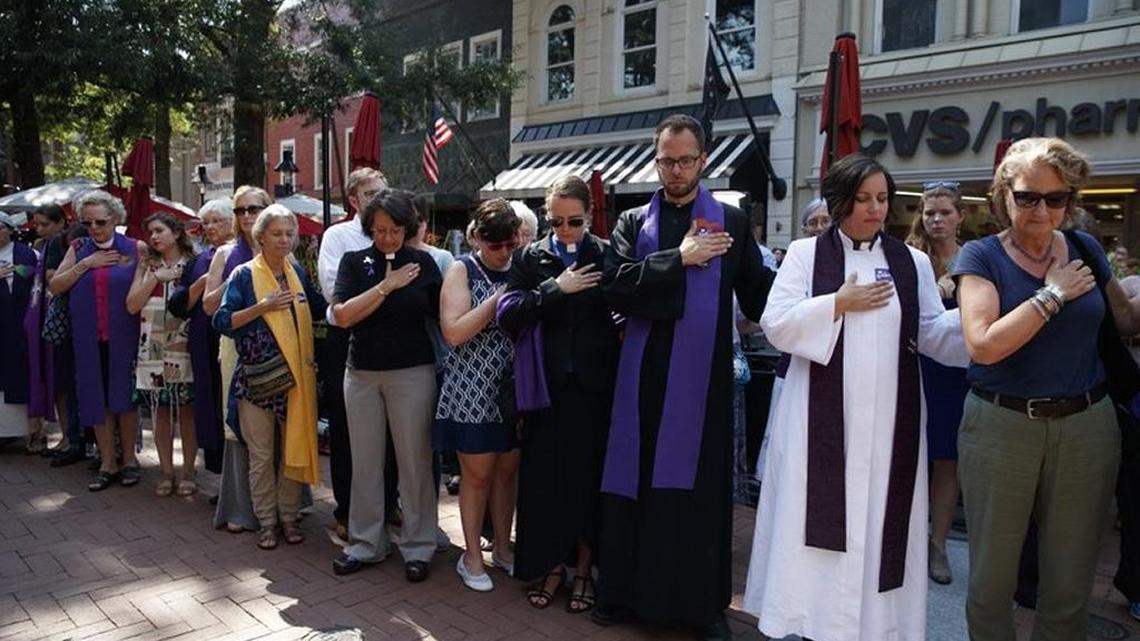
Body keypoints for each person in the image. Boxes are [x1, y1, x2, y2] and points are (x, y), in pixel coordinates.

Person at [743, 154, 967, 641]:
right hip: (819, 423)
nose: (875, 209)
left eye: (882, 199)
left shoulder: (913, 262)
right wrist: (837, 304)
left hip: (891, 423)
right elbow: (776, 324)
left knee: (882, 525)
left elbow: (931, 332)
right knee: (818, 527)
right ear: (842, 200)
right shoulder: (806, 254)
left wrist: (980, 321)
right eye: (863, 199)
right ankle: (811, 623)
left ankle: (877, 628)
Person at [593, 114, 773, 640]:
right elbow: (617, 287)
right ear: (657, 161)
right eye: (666, 160)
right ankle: (622, 594)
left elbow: (761, 295)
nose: (675, 170)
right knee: (637, 483)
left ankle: (702, 607)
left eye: (685, 160)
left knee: (698, 493)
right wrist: (682, 257)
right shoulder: (631, 222)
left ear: (703, 161)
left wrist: (823, 297)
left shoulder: (733, 224)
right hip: (643, 376)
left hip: (703, 384)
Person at [954, 137, 1140, 641]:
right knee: (993, 578)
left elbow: (1124, 319)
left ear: (1070, 202)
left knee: (1070, 580)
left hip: (1088, 427)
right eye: (1028, 196)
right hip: (1001, 425)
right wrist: (1053, 293)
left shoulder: (1083, 249)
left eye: (1056, 198)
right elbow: (983, 344)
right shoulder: (981, 255)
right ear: (1003, 197)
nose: (1042, 209)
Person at [499, 175, 620, 613]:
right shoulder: (531, 256)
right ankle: (551, 566)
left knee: (590, 481)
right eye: (557, 222)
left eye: (574, 221)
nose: (566, 230)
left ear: (588, 216)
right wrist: (555, 289)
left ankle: (585, 570)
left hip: (595, 387)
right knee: (545, 484)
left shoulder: (606, 253)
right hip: (546, 391)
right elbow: (508, 313)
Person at [330, 189, 443, 582]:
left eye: (395, 230)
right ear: (369, 228)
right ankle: (365, 543)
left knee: (414, 462)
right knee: (365, 463)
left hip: (413, 372)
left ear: (407, 228)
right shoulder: (353, 262)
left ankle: (418, 546)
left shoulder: (424, 264)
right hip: (360, 372)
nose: (388, 239)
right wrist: (385, 286)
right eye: (379, 230)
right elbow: (343, 316)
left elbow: (442, 318)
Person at [213, 205, 325, 551]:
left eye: (289, 233)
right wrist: (262, 306)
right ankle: (266, 523)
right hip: (257, 383)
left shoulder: (298, 274)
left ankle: (289, 517)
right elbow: (222, 321)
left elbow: (321, 309)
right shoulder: (244, 276)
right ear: (259, 237)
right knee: (261, 456)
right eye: (277, 233)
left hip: (296, 380)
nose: (285, 240)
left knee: (293, 448)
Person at [435, 198, 521, 592]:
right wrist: (496, 300)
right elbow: (453, 332)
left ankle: (503, 548)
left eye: (510, 244)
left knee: (507, 473)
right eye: (495, 245)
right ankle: (471, 556)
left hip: (513, 388)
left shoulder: (522, 265)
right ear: (478, 240)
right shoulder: (461, 270)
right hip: (471, 389)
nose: (503, 252)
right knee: (478, 476)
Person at [49, 190, 146, 491]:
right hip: (88, 338)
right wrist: (86, 264)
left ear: (115, 219)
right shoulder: (78, 247)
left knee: (126, 400)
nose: (94, 228)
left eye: (100, 222)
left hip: (125, 337)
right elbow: (55, 285)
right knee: (96, 397)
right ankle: (107, 462)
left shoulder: (135, 247)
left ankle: (129, 459)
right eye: (87, 222)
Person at [904, 180, 971, 585]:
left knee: (948, 460)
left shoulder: (976, 259)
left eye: (945, 212)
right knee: (910, 457)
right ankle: (906, 540)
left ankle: (938, 544)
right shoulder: (910, 258)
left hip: (957, 373)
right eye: (930, 212)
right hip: (914, 367)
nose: (937, 220)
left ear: (960, 216)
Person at [316, 168, 386, 543]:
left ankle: (387, 505)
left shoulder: (399, 232)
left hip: (392, 343)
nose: (377, 198)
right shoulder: (337, 236)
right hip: (347, 340)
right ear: (354, 200)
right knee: (346, 431)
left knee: (390, 430)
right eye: (369, 193)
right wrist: (385, 293)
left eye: (382, 192)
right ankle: (345, 510)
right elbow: (334, 294)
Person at [205, 185, 270, 534]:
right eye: (241, 210)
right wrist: (237, 279)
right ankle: (241, 508)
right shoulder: (225, 254)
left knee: (278, 421)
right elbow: (208, 306)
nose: (247, 216)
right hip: (236, 347)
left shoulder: (283, 244)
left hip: (279, 346)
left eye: (254, 208)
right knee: (239, 424)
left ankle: (284, 505)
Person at [755, 197, 831, 482]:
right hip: (794, 366)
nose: (819, 228)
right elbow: (777, 317)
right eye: (813, 222)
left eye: (825, 221)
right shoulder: (796, 260)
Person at [127, 212, 198, 497]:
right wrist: (156, 277)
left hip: (183, 346)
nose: (154, 237)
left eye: (159, 231)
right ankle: (167, 471)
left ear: (177, 232)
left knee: (188, 413)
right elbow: (132, 305)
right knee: (160, 413)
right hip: (152, 349)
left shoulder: (193, 264)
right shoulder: (147, 265)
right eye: (150, 232)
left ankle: (189, 470)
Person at [168, 199, 235, 476]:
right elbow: (178, 304)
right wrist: (201, 284)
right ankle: (221, 476)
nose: (210, 227)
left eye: (217, 221)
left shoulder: (244, 253)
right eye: (206, 222)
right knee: (210, 403)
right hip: (203, 339)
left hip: (233, 336)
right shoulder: (199, 259)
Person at [0, 212, 38, 447]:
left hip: (19, 326)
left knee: (21, 374)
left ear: (9, 230)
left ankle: (27, 431)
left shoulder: (28, 254)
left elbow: (37, 281)